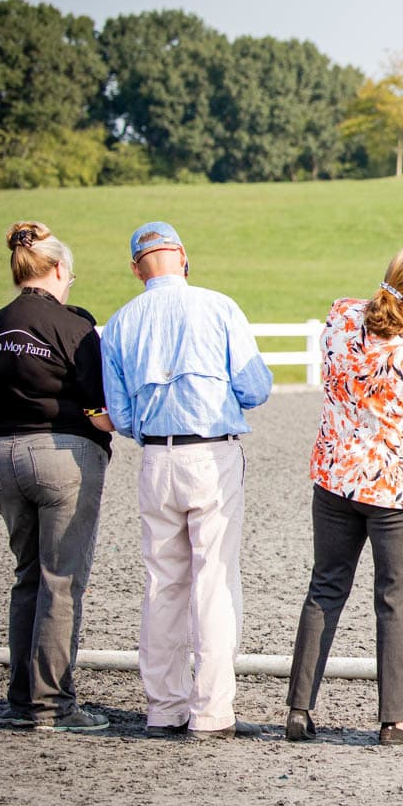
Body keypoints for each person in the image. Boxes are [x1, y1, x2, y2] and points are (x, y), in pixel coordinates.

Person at [285, 244, 403, 745]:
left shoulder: (341, 316)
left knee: (325, 588)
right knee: (394, 597)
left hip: (335, 476)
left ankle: (298, 708)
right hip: (396, 490)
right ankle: (392, 719)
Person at [101, 221, 273, 738]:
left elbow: (120, 414)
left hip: (157, 457)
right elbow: (256, 387)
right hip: (212, 453)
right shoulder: (218, 306)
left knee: (163, 583)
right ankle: (212, 710)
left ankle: (164, 706)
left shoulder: (121, 323)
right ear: (182, 255)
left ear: (136, 269)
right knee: (214, 581)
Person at [0, 222, 115, 733]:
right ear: (59, 269)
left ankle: (21, 699)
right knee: (62, 581)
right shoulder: (73, 327)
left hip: (2, 455)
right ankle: (52, 703)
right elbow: (99, 412)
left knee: (27, 578)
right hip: (61, 456)